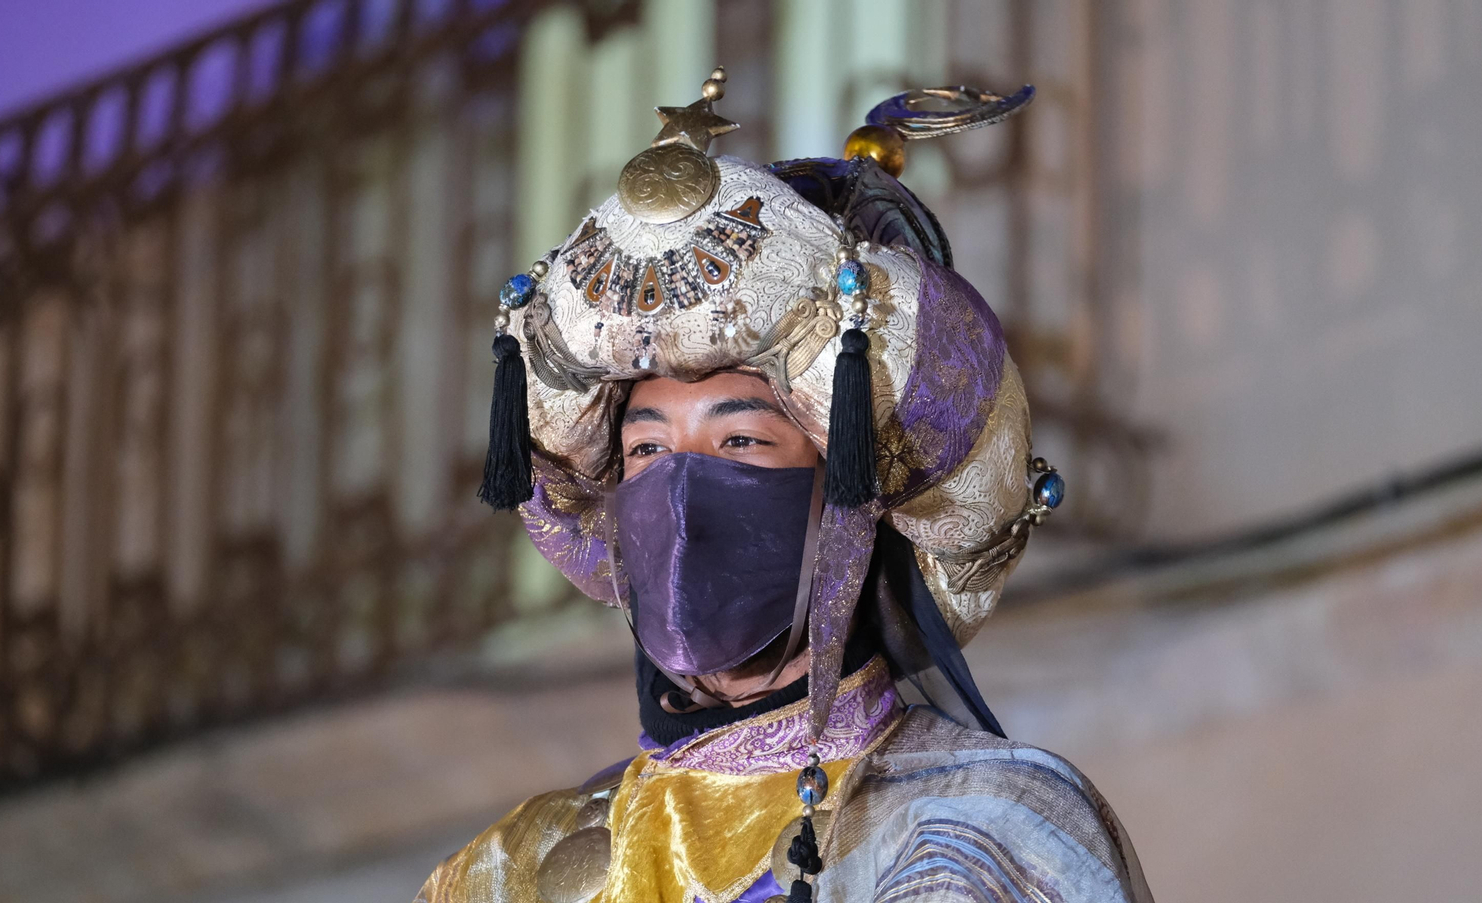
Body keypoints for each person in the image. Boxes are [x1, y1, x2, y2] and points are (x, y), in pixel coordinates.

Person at [419, 70, 1151, 903]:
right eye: (650, 449)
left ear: (846, 503)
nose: (684, 500)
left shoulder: (988, 833)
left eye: (740, 440)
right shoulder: (510, 870)